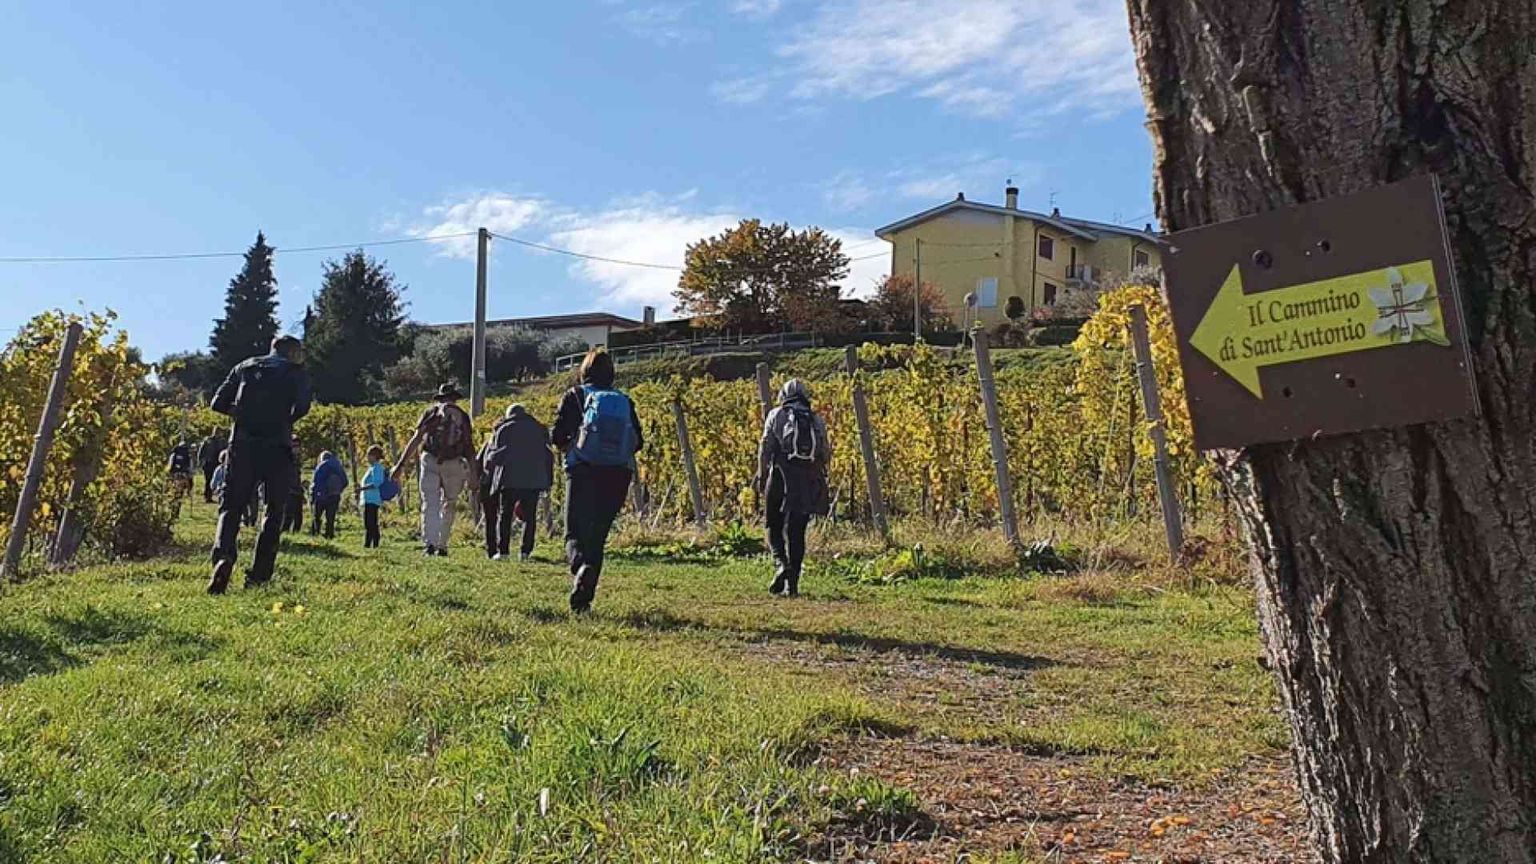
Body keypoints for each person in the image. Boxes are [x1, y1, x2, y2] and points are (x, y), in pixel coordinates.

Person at [207, 335, 312, 594]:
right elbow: (303, 406)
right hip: (277, 445)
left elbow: (216, 403)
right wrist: (284, 420)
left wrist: (243, 416)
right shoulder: (295, 372)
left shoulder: (244, 367)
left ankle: (224, 557)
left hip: (242, 444)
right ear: (291, 352)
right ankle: (259, 575)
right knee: (274, 511)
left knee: (231, 506)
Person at [550, 350, 642, 613]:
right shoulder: (624, 400)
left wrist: (572, 446)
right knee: (597, 536)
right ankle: (584, 600)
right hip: (616, 475)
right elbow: (639, 441)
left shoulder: (575, 396)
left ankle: (581, 568)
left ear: (584, 371)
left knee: (574, 531)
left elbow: (557, 436)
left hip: (582, 471)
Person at [753, 378, 831, 597]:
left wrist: (762, 474)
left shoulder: (776, 414)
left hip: (780, 475)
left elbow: (765, 446)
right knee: (797, 531)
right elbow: (825, 452)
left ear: (782, 396)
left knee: (773, 524)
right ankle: (793, 585)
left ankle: (780, 564)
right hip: (805, 478)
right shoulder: (816, 419)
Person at [391, 383, 476, 556]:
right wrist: (473, 474)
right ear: (455, 398)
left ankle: (429, 543)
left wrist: (400, 465)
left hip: (429, 460)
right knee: (449, 503)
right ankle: (442, 545)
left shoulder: (430, 413)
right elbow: (469, 447)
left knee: (430, 503)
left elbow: (416, 439)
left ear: (440, 398)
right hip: (453, 463)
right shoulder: (463, 416)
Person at [478, 403, 553, 561]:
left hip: (509, 478)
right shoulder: (538, 429)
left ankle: (503, 551)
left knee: (505, 515)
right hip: (534, 479)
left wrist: (489, 462)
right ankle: (525, 552)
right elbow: (548, 455)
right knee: (530, 516)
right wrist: (547, 479)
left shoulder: (505, 429)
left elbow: (496, 455)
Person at [310, 451, 347, 539]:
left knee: (317, 516)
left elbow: (316, 481)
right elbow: (345, 481)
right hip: (335, 495)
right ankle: (329, 534)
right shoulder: (338, 465)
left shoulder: (321, 465)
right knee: (330, 517)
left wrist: (313, 495)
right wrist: (339, 490)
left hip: (321, 495)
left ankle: (315, 533)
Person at [359, 445, 387, 548]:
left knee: (371, 523)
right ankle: (369, 542)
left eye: (369, 455)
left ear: (374, 456)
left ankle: (373, 543)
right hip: (368, 499)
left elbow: (377, 482)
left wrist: (363, 488)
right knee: (368, 522)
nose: (367, 457)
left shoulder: (377, 467)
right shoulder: (372, 468)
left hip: (373, 499)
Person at [281, 437, 305, 533]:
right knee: (287, 516)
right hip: (288, 491)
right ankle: (284, 535)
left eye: (298, 446)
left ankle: (295, 534)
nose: (297, 448)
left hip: (297, 491)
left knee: (298, 517)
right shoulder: (286, 460)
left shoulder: (297, 460)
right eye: (294, 446)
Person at [197, 431, 226, 502]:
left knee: (215, 479)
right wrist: (200, 460)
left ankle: (213, 494)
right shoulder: (208, 441)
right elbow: (201, 451)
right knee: (208, 480)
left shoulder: (221, 441)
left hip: (216, 463)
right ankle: (207, 496)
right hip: (208, 463)